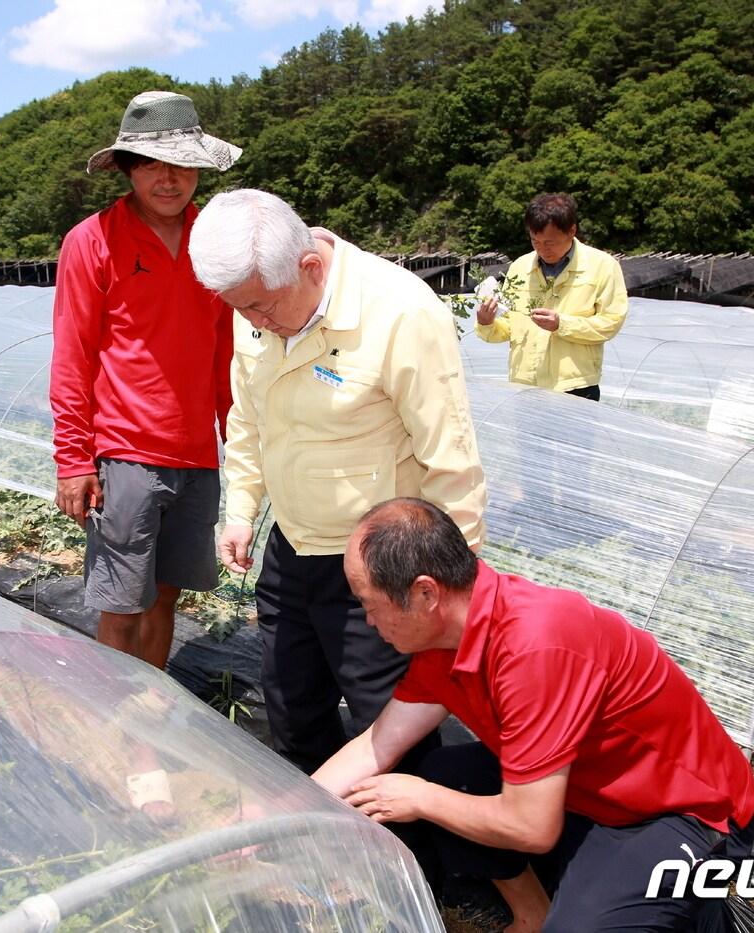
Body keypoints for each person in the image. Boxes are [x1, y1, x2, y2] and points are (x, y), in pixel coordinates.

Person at [314, 498, 754, 933]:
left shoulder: (536, 646)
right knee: (447, 774)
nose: (369, 620)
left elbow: (531, 827)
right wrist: (278, 814)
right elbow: (379, 745)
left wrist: (420, 798)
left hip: (683, 813)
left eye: (370, 604)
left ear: (425, 592)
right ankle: (532, 915)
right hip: (585, 788)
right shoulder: (446, 638)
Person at [188, 189, 487, 774]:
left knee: (389, 731)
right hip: (292, 546)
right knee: (293, 710)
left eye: (263, 307)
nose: (254, 322)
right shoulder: (258, 302)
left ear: (311, 266)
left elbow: (449, 457)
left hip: (380, 563)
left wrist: (455, 592)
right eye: (241, 308)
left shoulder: (400, 312)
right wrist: (243, 509)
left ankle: (414, 857)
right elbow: (249, 421)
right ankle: (326, 839)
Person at [50, 90, 240, 669]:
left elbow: (225, 349)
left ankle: (150, 709)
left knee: (166, 594)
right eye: (153, 164)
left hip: (196, 454)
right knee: (122, 603)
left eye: (182, 164)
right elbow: (73, 355)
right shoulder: (93, 241)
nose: (169, 179)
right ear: (130, 169)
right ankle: (113, 715)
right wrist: (74, 461)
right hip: (126, 451)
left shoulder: (216, 239)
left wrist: (238, 435)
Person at [475, 193, 627, 401]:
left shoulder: (602, 266)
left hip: (574, 387)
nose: (542, 249)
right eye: (535, 241)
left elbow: (611, 322)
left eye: (550, 243)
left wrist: (561, 324)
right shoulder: (520, 267)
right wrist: (487, 323)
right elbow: (511, 326)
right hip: (525, 386)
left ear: (572, 230)